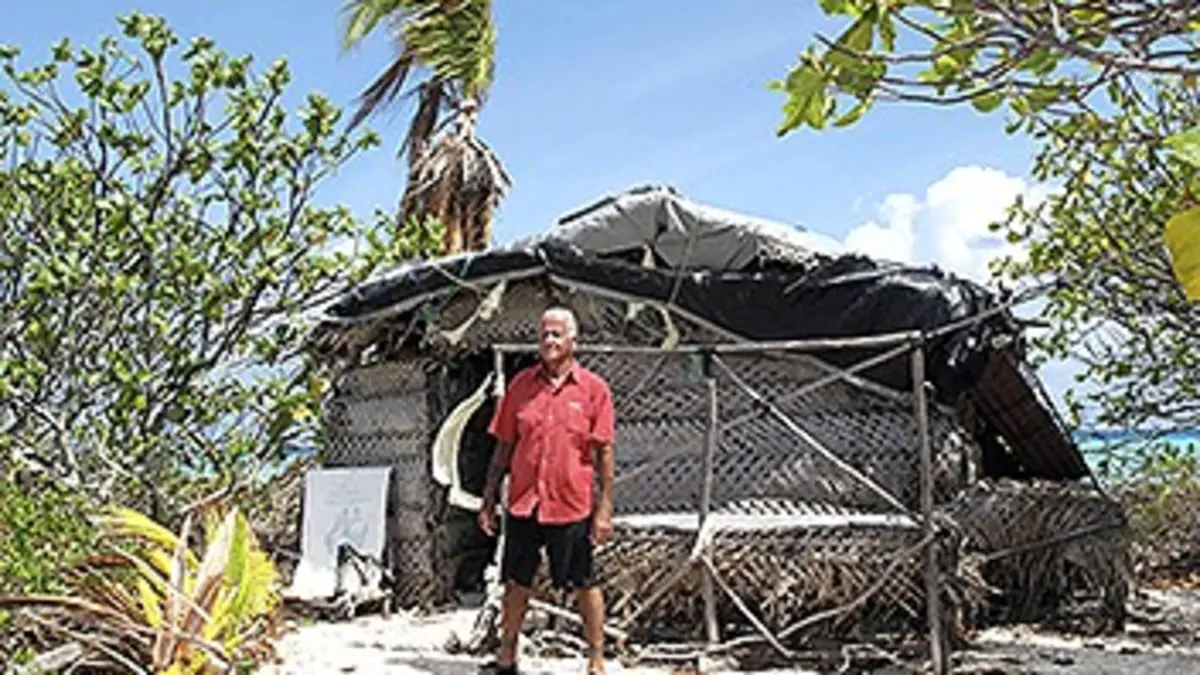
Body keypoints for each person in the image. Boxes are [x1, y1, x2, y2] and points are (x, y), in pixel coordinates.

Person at [478, 306, 616, 675]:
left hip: (570, 502)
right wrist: (489, 497)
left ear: (573, 340)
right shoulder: (521, 387)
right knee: (516, 580)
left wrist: (604, 509)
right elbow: (504, 446)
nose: (549, 341)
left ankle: (596, 658)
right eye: (544, 335)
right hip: (524, 502)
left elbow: (603, 452)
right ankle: (507, 655)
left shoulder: (593, 391)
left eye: (557, 334)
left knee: (585, 581)